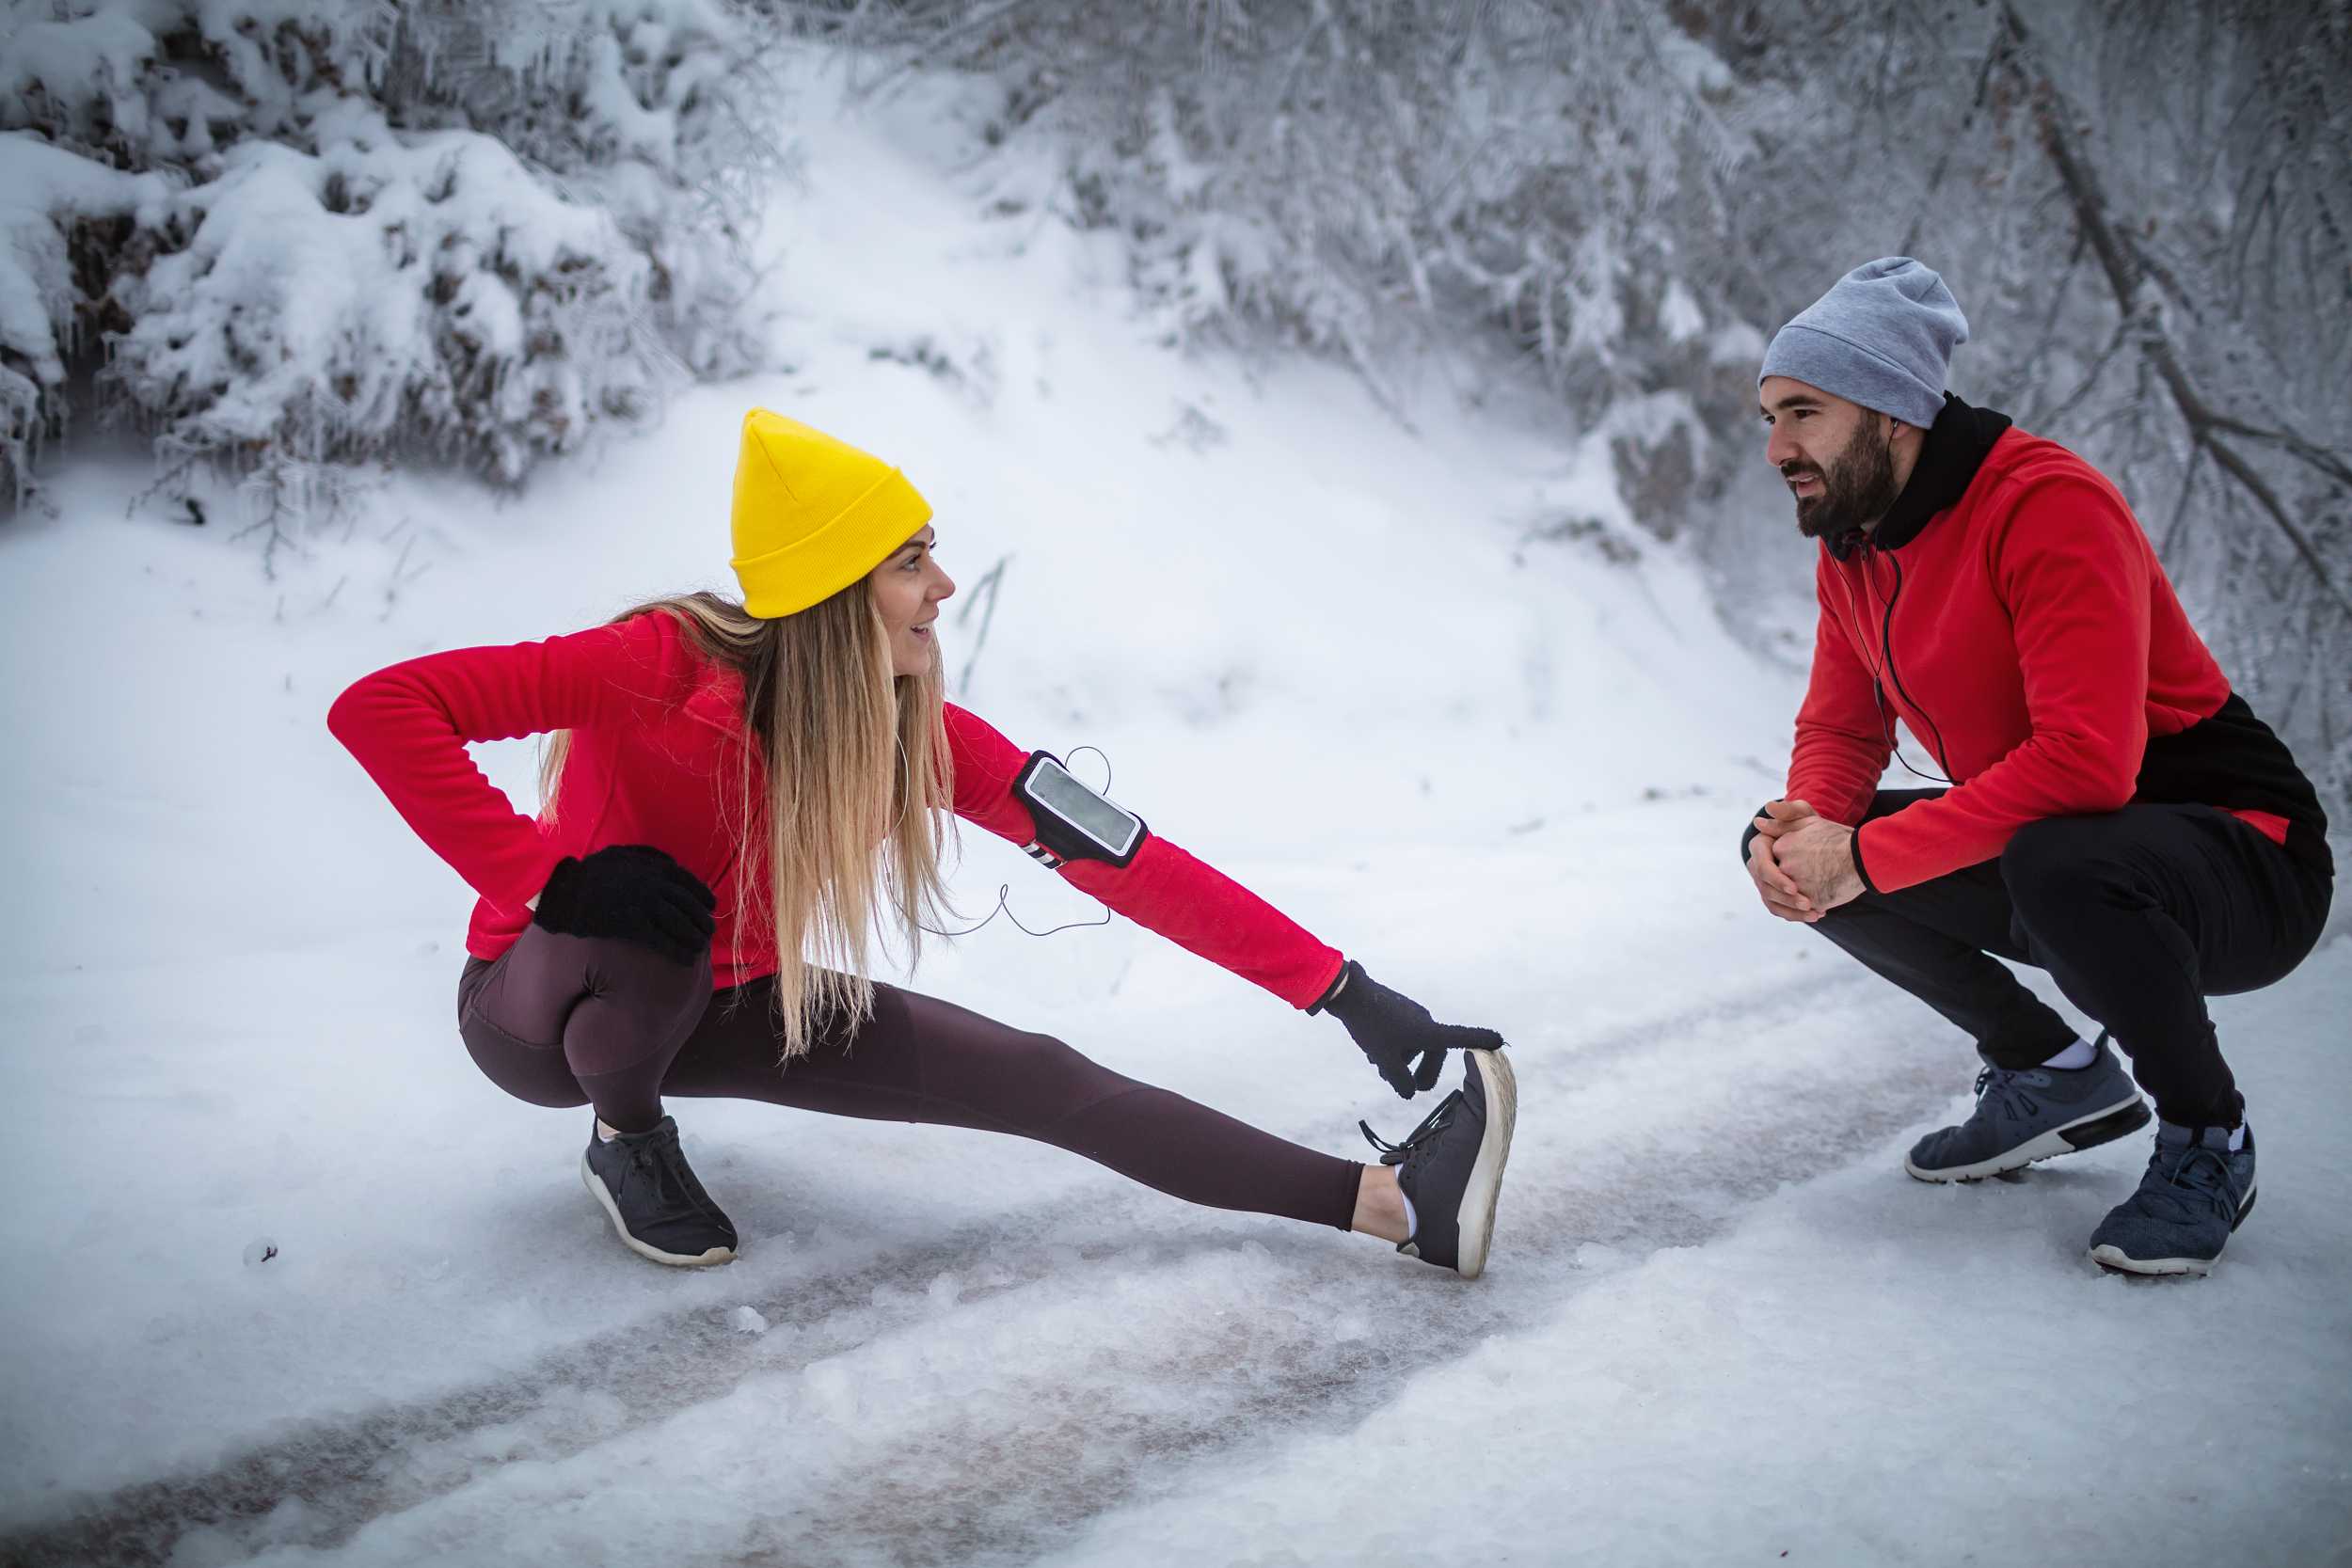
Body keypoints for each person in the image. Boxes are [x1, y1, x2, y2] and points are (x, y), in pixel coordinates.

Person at [329, 410, 1517, 1278]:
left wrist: (1345, 991)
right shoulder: (654, 663)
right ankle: (627, 1137)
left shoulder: (917, 736)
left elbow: (1130, 861)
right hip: (539, 1006)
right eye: (909, 561)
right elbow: (382, 707)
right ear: (835, 589)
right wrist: (556, 877)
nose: (943, 584)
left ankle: (1395, 1205)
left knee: (1045, 1075)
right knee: (654, 937)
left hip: (731, 995)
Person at [1739, 258, 2333, 1276]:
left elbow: (2087, 762)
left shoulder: (2046, 504)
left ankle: (2207, 1139)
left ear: (1892, 414)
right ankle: (2048, 1071)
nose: (1777, 446)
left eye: (1804, 412)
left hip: (2244, 861)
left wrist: (1868, 858)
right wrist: (1801, 833)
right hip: (2060, 855)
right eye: (1768, 416)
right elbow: (1842, 732)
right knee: (1807, 845)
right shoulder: (1855, 547)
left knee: (2048, 856)